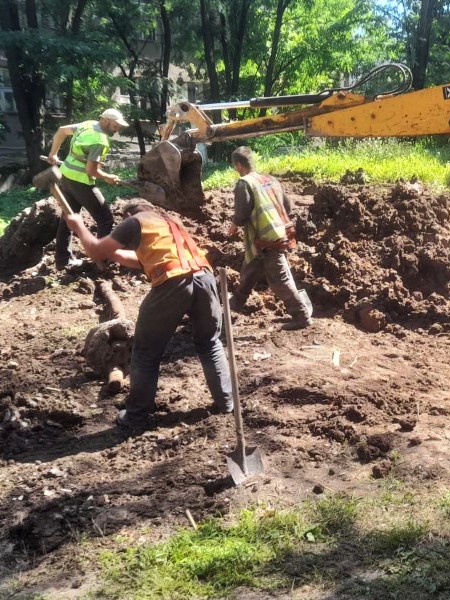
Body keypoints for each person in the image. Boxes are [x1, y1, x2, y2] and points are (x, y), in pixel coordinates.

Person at [64, 200, 233, 430]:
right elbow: (142, 261)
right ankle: (226, 402)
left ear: (127, 214)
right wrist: (113, 253)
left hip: (173, 283)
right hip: (204, 278)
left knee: (145, 353)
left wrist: (78, 227)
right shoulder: (169, 222)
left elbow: (94, 249)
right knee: (209, 343)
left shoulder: (133, 223)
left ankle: (134, 417)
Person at [227, 146, 313, 330]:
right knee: (249, 272)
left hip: (267, 240)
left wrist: (234, 224)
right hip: (276, 235)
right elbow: (287, 208)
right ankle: (232, 309)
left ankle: (302, 315)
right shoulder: (270, 179)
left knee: (280, 279)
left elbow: (242, 214)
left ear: (238, 166)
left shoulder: (244, 183)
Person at [47, 108, 128, 270]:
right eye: (115, 125)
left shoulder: (87, 125)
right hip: (81, 183)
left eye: (119, 126)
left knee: (69, 217)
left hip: (65, 177)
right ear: (105, 121)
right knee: (105, 219)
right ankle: (102, 258)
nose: (117, 129)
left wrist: (53, 153)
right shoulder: (100, 140)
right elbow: (92, 171)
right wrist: (107, 177)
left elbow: (62, 131)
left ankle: (62, 260)